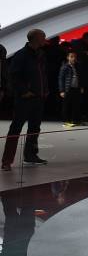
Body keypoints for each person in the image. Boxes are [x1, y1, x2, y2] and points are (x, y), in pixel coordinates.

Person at [1, 29, 49, 171]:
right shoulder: (21, 55)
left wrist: (45, 90)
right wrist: (24, 91)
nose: (45, 39)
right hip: (25, 98)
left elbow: (43, 75)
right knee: (16, 128)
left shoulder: (40, 54)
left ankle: (31, 155)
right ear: (35, 38)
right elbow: (14, 76)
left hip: (38, 97)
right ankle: (7, 160)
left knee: (35, 128)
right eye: (43, 37)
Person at [58, 51, 83, 127]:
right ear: (68, 57)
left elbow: (81, 77)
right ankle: (66, 120)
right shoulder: (65, 67)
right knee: (66, 105)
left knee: (76, 105)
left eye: (75, 57)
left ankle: (75, 120)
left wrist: (81, 86)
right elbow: (61, 79)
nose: (73, 58)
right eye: (71, 56)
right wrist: (62, 90)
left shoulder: (78, 66)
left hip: (76, 88)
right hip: (68, 88)